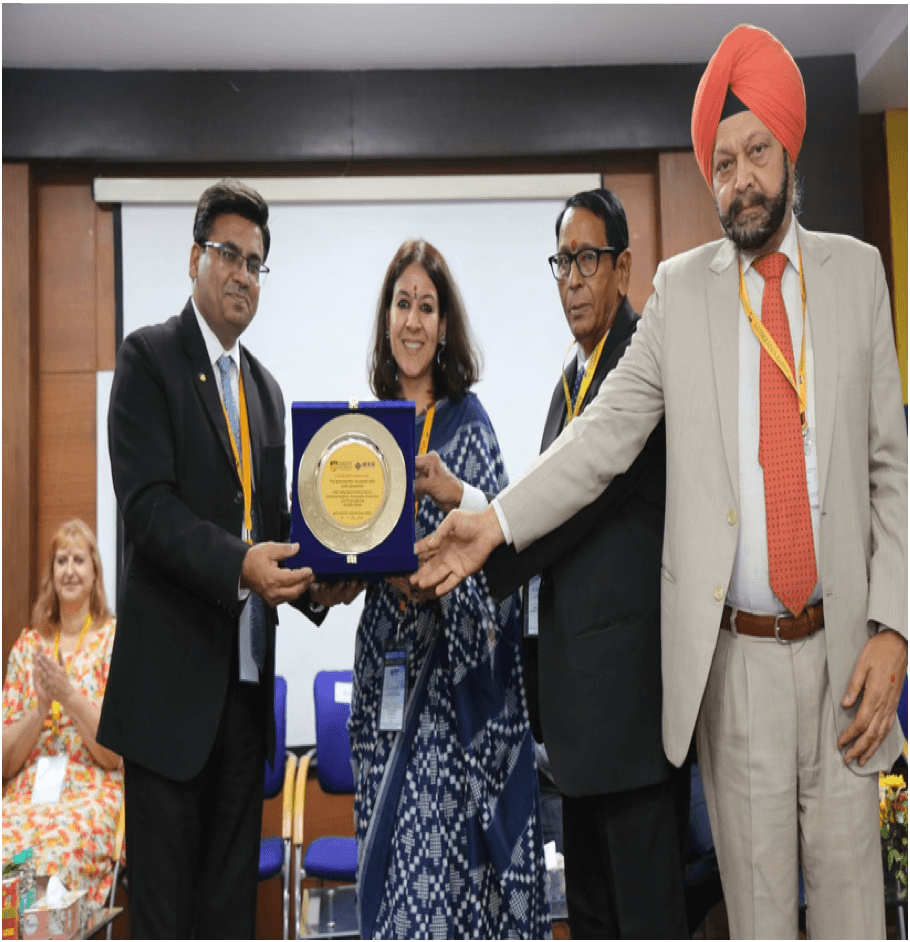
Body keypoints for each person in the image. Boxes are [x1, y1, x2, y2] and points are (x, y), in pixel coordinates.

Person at [415, 24, 908, 940]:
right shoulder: (683, 295)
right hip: (738, 668)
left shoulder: (858, 275)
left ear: (789, 150)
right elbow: (601, 436)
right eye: (720, 164)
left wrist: (893, 626)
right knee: (757, 920)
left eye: (756, 152)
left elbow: (890, 469)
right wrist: (495, 522)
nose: (740, 179)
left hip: (848, 659)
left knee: (853, 919)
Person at [98, 179, 325, 938]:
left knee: (230, 917)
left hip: (243, 704)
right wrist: (242, 566)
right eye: (229, 254)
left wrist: (331, 577)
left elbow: (274, 526)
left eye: (257, 263)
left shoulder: (265, 389)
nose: (243, 274)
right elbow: (150, 512)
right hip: (168, 706)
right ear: (195, 256)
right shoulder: (148, 358)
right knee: (165, 919)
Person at [482, 188, 687, 939]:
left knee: (645, 920)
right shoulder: (568, 383)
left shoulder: (639, 368)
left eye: (588, 259)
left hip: (629, 715)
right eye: (561, 261)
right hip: (575, 726)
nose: (571, 277)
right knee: (596, 921)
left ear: (624, 266)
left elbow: (572, 513)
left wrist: (471, 551)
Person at [344, 238, 550, 939]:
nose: (412, 320)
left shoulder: (470, 422)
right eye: (402, 303)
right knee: (388, 871)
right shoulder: (363, 432)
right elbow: (344, 544)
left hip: (453, 695)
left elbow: (507, 545)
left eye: (426, 307)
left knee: (437, 893)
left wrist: (455, 494)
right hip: (384, 681)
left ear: (444, 324)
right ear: (386, 318)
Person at [2, 519, 122, 912]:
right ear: (51, 575)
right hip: (26, 795)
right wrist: (39, 710)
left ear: (95, 572)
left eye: (78, 560)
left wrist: (69, 696)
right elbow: (5, 763)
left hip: (89, 793)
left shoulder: (111, 641)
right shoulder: (29, 646)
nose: (69, 569)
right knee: (7, 858)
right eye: (60, 560)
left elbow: (114, 755)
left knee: (52, 862)